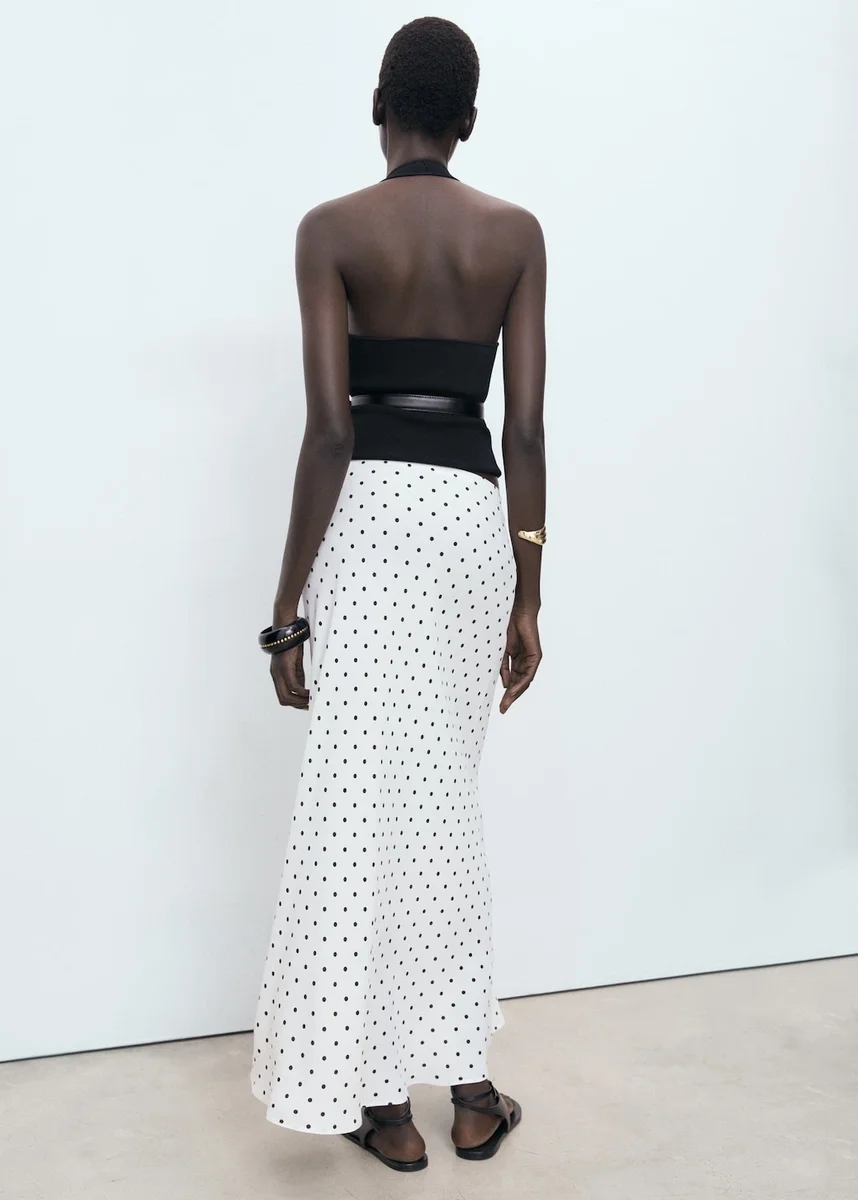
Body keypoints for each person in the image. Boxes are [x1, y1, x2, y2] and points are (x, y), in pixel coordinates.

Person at [251, 15, 546, 1172]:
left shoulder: (331, 230)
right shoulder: (514, 234)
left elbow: (330, 431)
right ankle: (468, 1090)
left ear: (379, 104)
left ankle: (379, 1105)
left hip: (370, 524)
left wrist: (287, 610)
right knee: (442, 804)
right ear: (468, 119)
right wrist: (530, 592)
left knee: (356, 804)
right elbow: (524, 430)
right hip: (472, 525)